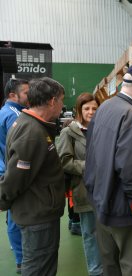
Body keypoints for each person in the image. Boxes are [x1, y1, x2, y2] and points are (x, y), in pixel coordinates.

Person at [84, 63, 132, 276]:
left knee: (111, 265)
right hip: (124, 207)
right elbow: (131, 168)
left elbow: (90, 154)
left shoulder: (105, 108)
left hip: (102, 200)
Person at [0, 77, 66, 276]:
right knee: (39, 268)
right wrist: (3, 200)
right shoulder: (32, 132)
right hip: (37, 215)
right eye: (62, 100)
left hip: (39, 210)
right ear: (52, 101)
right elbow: (16, 177)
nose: (63, 106)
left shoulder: (32, 125)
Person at [56, 93, 102, 276]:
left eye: (94, 108)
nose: (91, 112)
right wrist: (88, 167)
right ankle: (96, 271)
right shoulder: (70, 132)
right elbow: (63, 161)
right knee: (90, 233)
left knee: (106, 233)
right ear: (79, 110)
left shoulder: (102, 129)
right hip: (83, 189)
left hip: (105, 190)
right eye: (87, 108)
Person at [0, 78, 29, 274]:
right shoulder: (14, 116)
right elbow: (21, 149)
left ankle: (20, 255)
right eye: (26, 93)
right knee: (16, 217)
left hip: (5, 170)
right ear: (13, 95)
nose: (30, 96)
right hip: (10, 172)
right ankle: (21, 259)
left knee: (13, 216)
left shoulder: (5, 112)